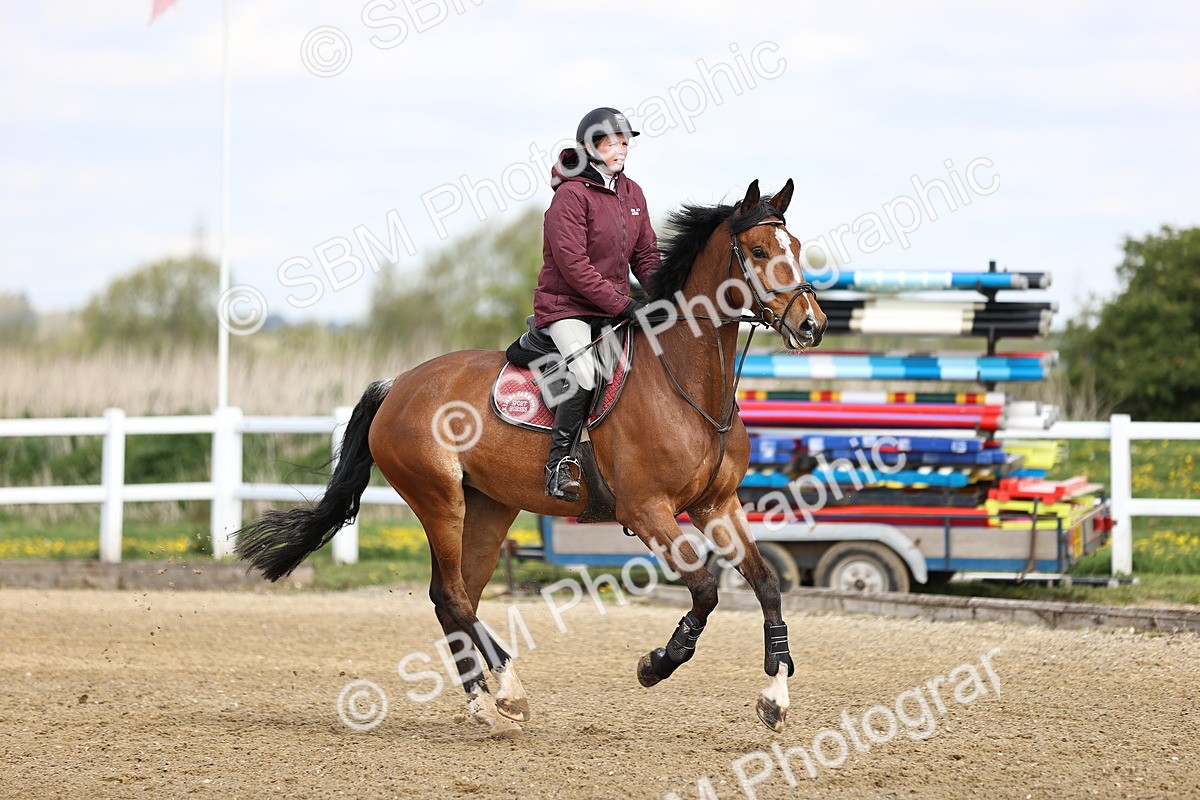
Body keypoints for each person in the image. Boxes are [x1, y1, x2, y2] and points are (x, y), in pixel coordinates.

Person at [534, 107, 661, 501]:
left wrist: (667, 295)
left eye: (626, 140)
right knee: (587, 373)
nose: (622, 147)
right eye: (613, 140)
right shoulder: (570, 196)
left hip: (612, 308)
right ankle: (560, 465)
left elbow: (646, 257)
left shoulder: (633, 192)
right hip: (566, 307)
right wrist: (624, 305)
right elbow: (574, 267)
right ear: (592, 146)